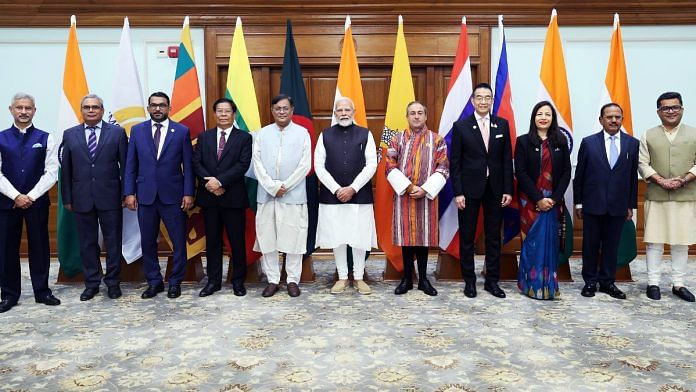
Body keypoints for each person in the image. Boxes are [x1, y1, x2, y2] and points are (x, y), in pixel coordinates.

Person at [124, 92, 194, 299]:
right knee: (147, 241)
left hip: (173, 196)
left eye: (162, 105)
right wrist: (129, 192)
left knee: (178, 241)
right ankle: (154, 281)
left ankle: (175, 282)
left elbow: (188, 167)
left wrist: (189, 192)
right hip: (145, 196)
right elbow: (130, 165)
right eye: (153, 105)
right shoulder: (137, 131)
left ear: (169, 108)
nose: (157, 109)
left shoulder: (181, 131)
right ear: (148, 108)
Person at [61, 94, 128, 301]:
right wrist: (67, 199)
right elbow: (66, 170)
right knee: (87, 243)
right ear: (81, 110)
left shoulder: (117, 133)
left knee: (113, 242)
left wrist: (127, 194)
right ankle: (91, 283)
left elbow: (125, 167)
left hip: (110, 197)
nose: (91, 110)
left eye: (95, 107)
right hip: (81, 198)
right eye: (87, 107)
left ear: (102, 110)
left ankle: (113, 282)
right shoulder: (70, 134)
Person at [451, 82, 513, 298]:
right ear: (472, 101)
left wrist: (508, 189)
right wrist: (458, 192)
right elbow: (455, 163)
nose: (483, 101)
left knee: (494, 237)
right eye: (479, 97)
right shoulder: (461, 127)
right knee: (467, 237)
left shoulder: (502, 125)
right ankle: (469, 282)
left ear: (492, 100)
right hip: (468, 191)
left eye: (487, 97)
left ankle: (492, 281)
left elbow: (506, 160)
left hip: (496, 190)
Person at [0, 93, 60, 313]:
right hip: (7, 203)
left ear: (34, 110)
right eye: (19, 108)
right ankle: (8, 294)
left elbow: (52, 172)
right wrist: (16, 195)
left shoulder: (46, 137)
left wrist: (31, 196)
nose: (23, 112)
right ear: (11, 109)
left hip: (37, 202)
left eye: (28, 108)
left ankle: (42, 291)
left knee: (40, 246)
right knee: (6, 249)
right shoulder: (1, 137)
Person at [574, 102, 639, 300]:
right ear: (601, 120)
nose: (613, 120)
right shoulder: (588, 142)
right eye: (609, 117)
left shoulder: (632, 143)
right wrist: (579, 203)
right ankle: (590, 282)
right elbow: (580, 176)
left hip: (619, 205)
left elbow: (632, 177)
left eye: (617, 117)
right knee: (591, 245)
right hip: (593, 204)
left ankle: (608, 282)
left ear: (622, 119)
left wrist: (631, 204)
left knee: (612, 246)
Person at [386, 101, 449, 296]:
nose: (416, 116)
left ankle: (423, 279)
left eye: (420, 112)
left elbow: (443, 167)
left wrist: (425, 189)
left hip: (427, 197)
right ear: (407, 116)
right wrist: (408, 187)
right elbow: (389, 165)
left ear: (426, 116)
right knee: (407, 239)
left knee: (423, 239)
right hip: (404, 195)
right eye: (412, 113)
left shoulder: (437, 140)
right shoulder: (397, 139)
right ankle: (407, 279)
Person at [315, 98, 377, 295]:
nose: (343, 113)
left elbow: (372, 165)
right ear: (334, 113)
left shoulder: (365, 134)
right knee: (338, 237)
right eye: (339, 110)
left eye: (347, 109)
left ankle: (358, 277)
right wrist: (336, 189)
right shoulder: (324, 135)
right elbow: (318, 166)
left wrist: (353, 188)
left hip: (359, 195)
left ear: (354, 111)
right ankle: (342, 277)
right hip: (332, 197)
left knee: (359, 237)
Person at [638, 91, 696, 302]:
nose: (670, 111)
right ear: (658, 112)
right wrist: (661, 181)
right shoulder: (648, 134)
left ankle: (678, 284)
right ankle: (653, 283)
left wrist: (685, 179)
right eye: (666, 108)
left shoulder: (694, 133)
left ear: (682, 109)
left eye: (675, 107)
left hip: (686, 196)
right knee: (654, 240)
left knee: (681, 241)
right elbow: (642, 163)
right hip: (657, 195)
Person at [252, 94, 311, 298]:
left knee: (294, 239)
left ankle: (292, 280)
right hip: (267, 196)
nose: (282, 112)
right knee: (267, 239)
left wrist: (285, 186)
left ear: (292, 110)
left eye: (285, 108)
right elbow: (256, 163)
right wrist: (271, 186)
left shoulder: (303, 133)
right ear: (272, 110)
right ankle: (272, 280)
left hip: (293, 195)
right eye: (278, 108)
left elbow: (305, 164)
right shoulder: (262, 134)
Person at [193, 98, 252, 297]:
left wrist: (220, 182)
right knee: (213, 242)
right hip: (209, 198)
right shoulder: (204, 136)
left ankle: (238, 281)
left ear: (233, 114)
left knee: (236, 242)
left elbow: (242, 165)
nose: (223, 114)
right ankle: (213, 281)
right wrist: (211, 184)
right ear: (214, 114)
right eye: (220, 111)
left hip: (233, 197)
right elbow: (196, 163)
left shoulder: (244, 138)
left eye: (227, 111)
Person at [514, 101, 571, 300]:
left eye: (548, 114)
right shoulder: (523, 142)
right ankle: (530, 285)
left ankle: (547, 285)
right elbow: (520, 172)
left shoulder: (560, 141)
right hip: (529, 202)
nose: (544, 117)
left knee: (549, 244)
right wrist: (538, 198)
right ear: (534, 117)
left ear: (552, 118)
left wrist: (553, 199)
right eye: (540, 113)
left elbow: (566, 172)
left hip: (553, 203)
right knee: (531, 243)